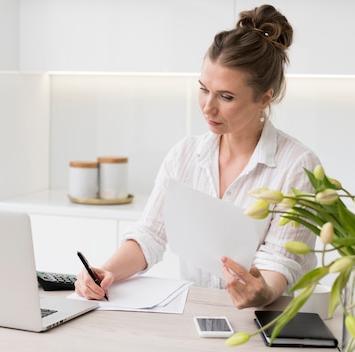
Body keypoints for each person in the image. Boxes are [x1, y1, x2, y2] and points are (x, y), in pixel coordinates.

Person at [75, 4, 320, 309]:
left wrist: (263, 291)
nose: (208, 106)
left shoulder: (297, 166)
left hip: (268, 323)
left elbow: (280, 260)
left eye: (226, 96)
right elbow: (150, 234)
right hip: (195, 317)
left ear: (264, 98)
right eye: (204, 89)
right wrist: (106, 271)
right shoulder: (185, 155)